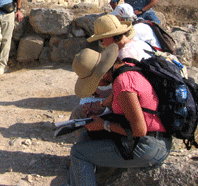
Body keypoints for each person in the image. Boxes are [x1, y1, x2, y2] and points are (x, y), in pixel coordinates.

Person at [66, 44, 172, 186]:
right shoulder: (125, 67)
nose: (97, 85)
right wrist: (98, 106)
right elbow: (115, 99)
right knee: (85, 138)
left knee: (79, 153)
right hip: (152, 139)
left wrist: (104, 125)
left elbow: (139, 130)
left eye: (95, 81)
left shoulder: (123, 85)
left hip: (150, 146)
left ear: (103, 74)